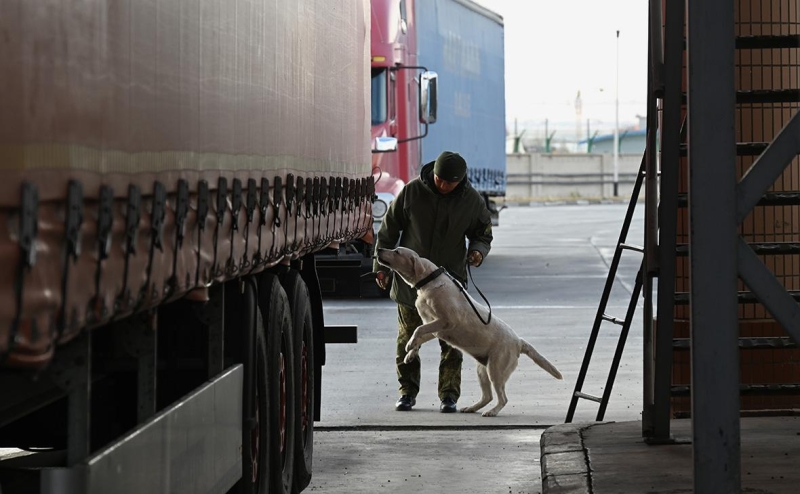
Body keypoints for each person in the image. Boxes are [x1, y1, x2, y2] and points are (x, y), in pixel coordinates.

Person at [373, 151, 493, 413]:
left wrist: (477, 252)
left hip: (450, 287)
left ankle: (449, 395)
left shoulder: (471, 201)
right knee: (408, 338)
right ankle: (407, 391)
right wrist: (379, 268)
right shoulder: (412, 192)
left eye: (448, 182)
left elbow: (483, 234)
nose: (442, 185)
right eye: (439, 179)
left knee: (452, 341)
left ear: (459, 181)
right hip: (410, 285)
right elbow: (388, 231)